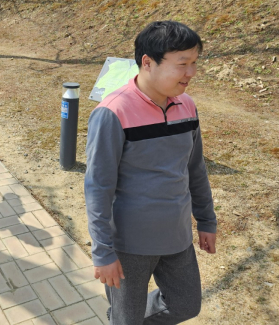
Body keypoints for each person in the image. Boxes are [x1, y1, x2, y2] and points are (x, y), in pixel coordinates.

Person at [84, 20, 217, 325]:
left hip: (177, 236)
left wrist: (206, 220)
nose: (191, 72)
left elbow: (195, 168)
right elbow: (98, 187)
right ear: (147, 62)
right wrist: (103, 252)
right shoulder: (113, 113)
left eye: (194, 62)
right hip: (129, 245)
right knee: (126, 318)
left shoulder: (187, 106)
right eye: (182, 63)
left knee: (186, 306)